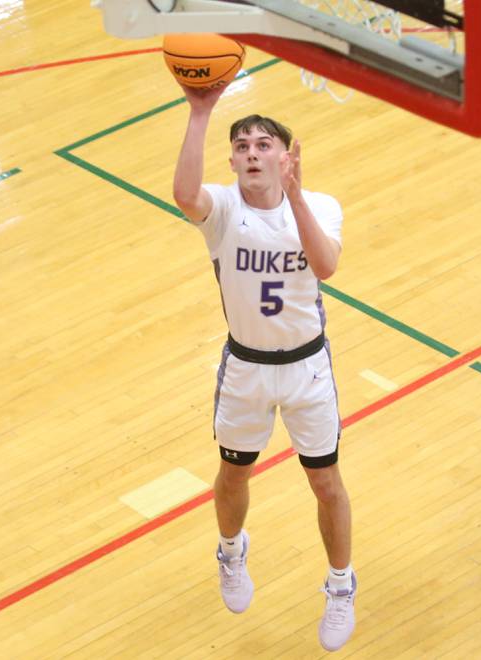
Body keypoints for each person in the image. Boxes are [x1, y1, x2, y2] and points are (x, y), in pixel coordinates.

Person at [172, 82, 355, 652]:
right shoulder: (223, 210)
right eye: (243, 146)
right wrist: (201, 112)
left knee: (325, 482)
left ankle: (341, 586)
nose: (252, 153)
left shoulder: (321, 205)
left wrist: (295, 195)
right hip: (246, 370)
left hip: (307, 369)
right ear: (232, 161)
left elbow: (325, 267)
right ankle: (230, 551)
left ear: (285, 155)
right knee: (233, 475)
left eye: (263, 144)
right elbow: (183, 194)